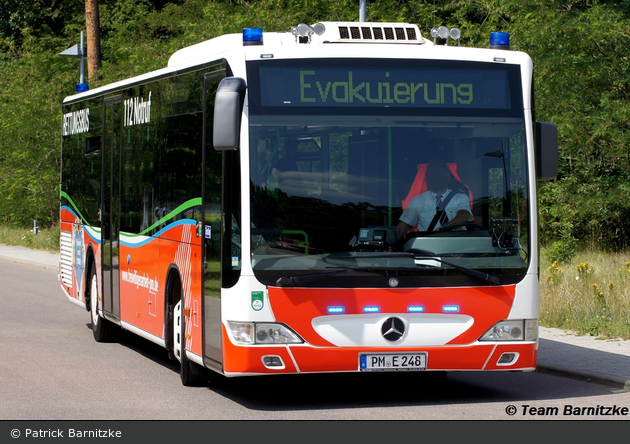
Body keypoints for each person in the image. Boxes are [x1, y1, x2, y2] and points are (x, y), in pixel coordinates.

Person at [396, 160, 473, 241]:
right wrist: (392, 243)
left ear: (448, 176)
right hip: (427, 248)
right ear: (427, 179)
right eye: (431, 176)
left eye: (438, 176)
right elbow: (402, 226)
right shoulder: (417, 201)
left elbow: (464, 215)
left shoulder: (460, 198)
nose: (435, 179)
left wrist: (445, 228)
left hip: (456, 245)